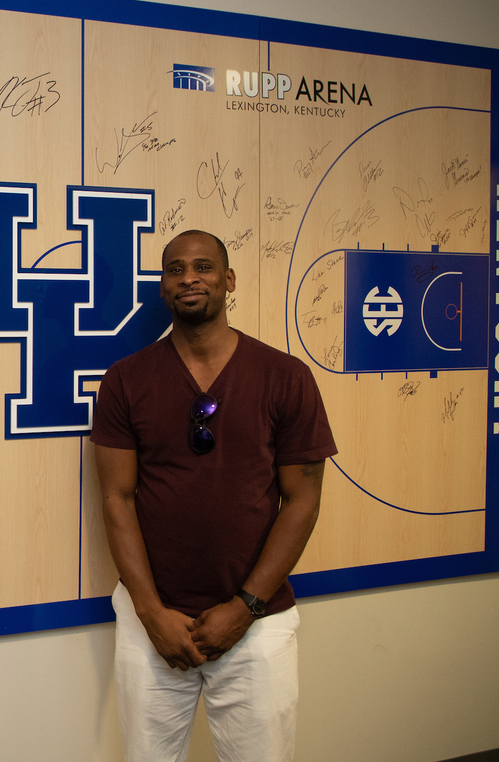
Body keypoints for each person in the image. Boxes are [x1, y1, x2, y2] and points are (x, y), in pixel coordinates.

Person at [91, 229, 337, 762]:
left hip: (258, 627)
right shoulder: (125, 381)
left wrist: (245, 607)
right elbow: (116, 500)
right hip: (152, 623)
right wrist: (151, 612)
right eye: (175, 270)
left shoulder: (285, 377)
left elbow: (302, 502)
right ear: (162, 288)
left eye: (203, 267)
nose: (189, 278)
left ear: (228, 280)